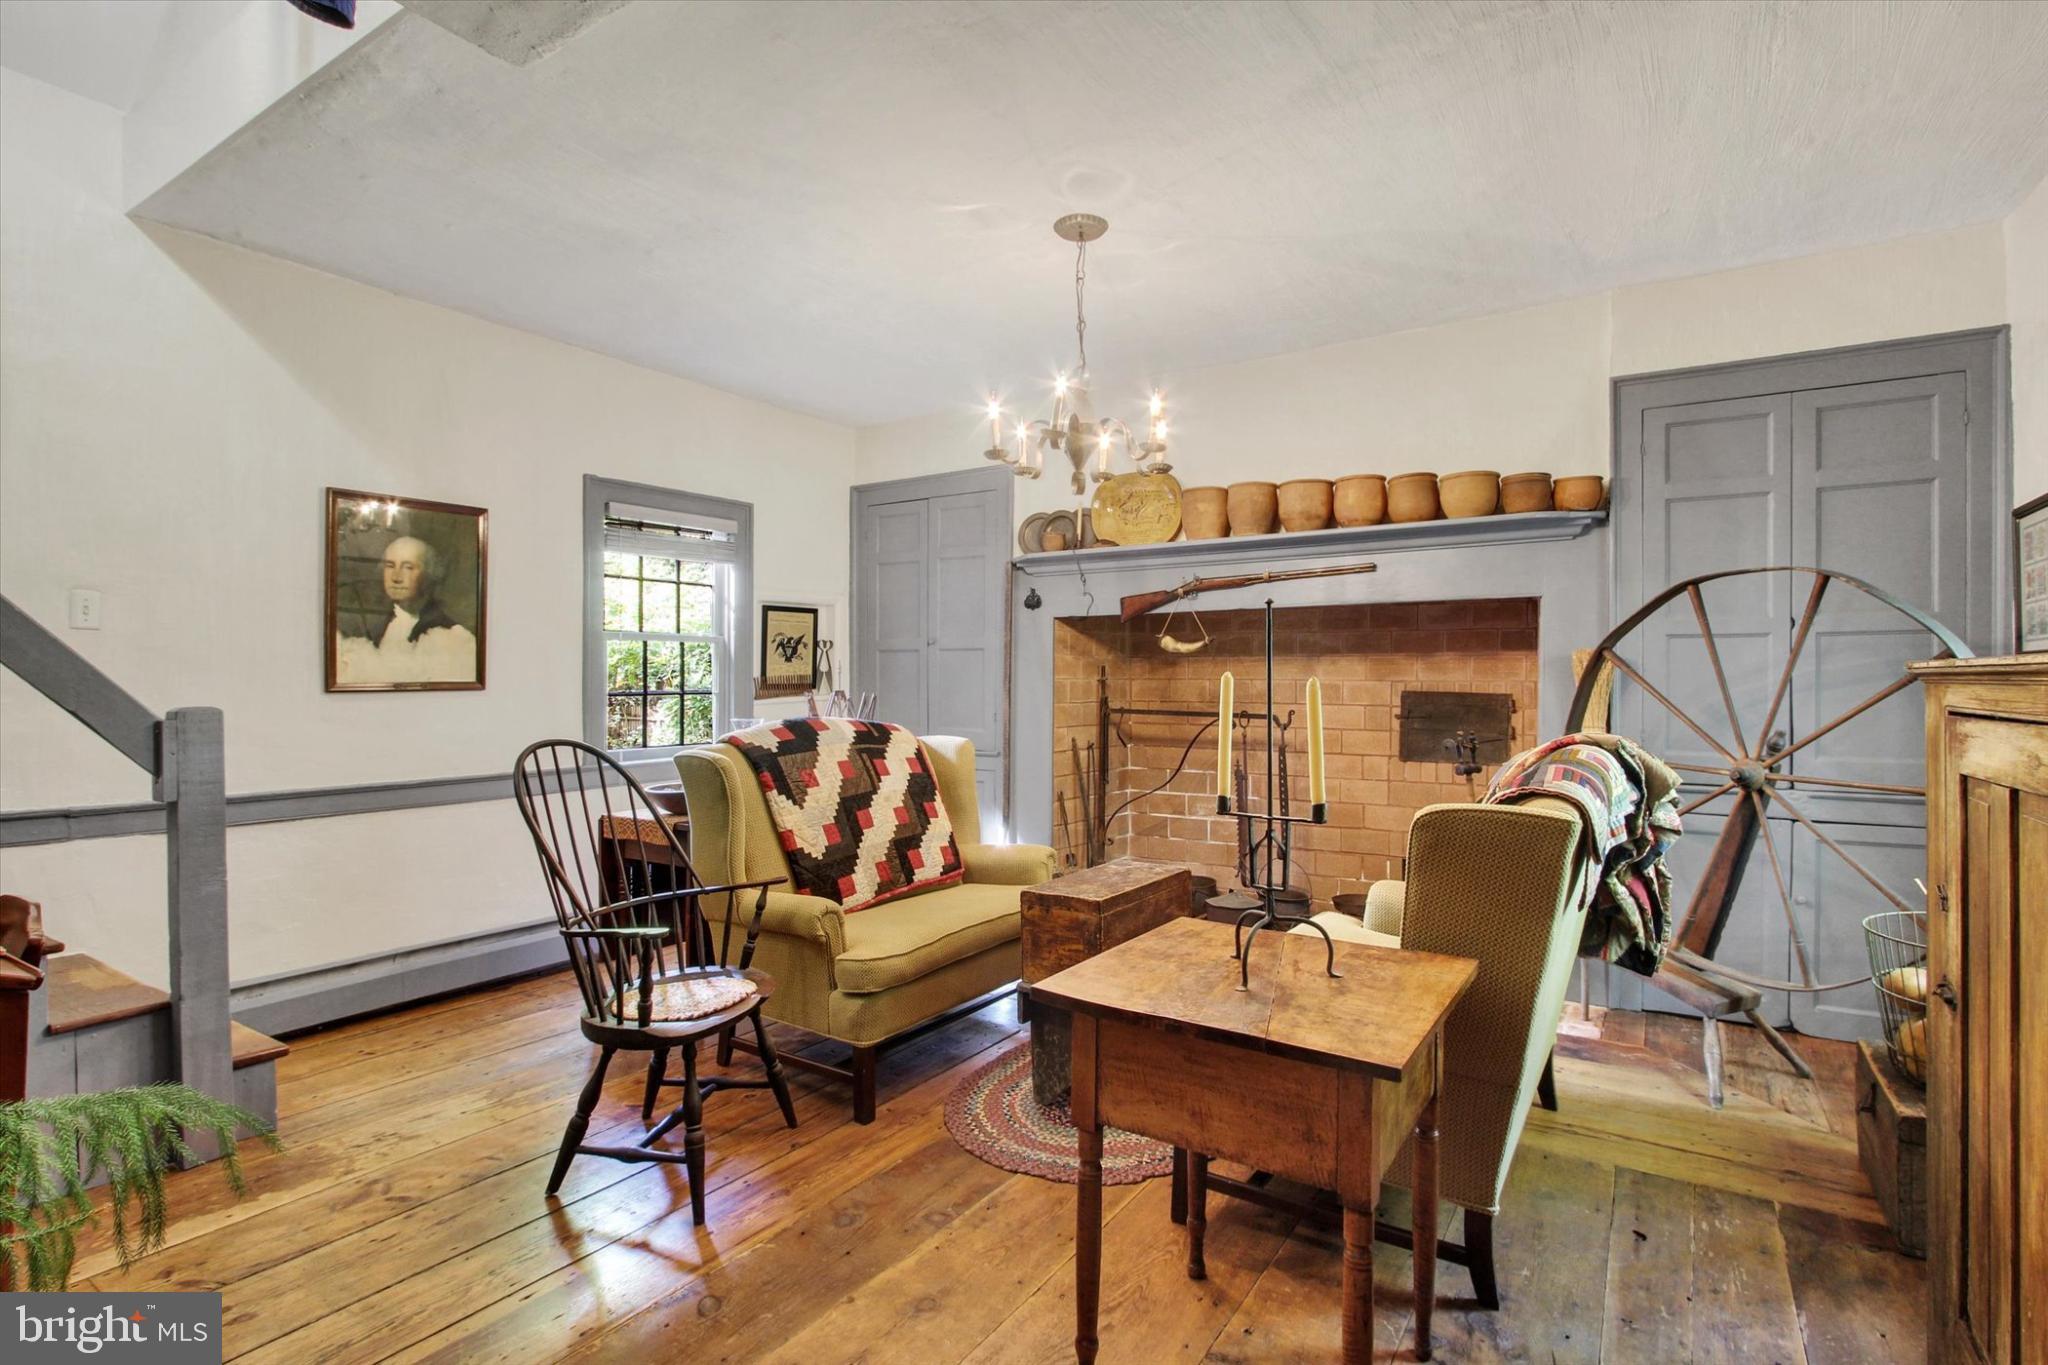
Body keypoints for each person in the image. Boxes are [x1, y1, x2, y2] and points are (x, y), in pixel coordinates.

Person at [334, 534, 478, 685]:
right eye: (390, 566)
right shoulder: (374, 629)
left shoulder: (452, 638)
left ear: (429, 574)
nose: (396, 577)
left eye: (408, 567)